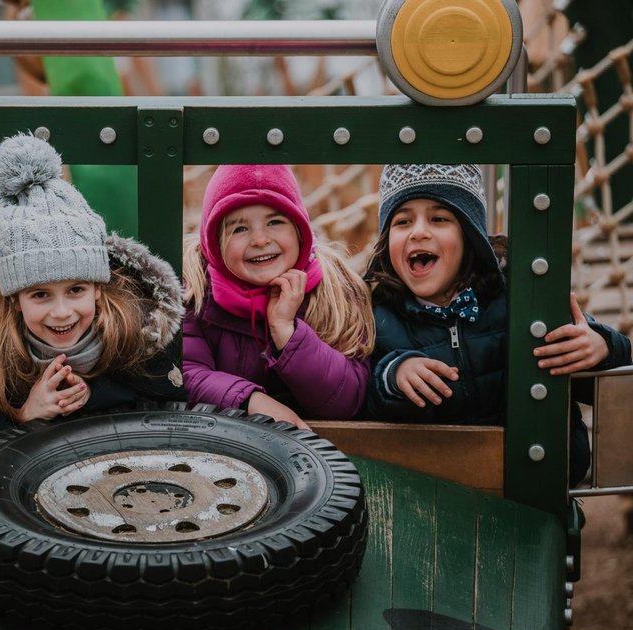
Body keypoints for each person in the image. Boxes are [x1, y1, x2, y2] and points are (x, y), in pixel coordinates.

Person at [364, 163, 631, 486]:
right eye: (402, 221)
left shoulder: (517, 294)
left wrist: (601, 346)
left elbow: (604, 377)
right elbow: (365, 402)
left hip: (532, 484)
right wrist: (393, 375)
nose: (418, 231)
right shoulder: (380, 316)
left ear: (470, 235)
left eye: (439, 219)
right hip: (434, 490)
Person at [0, 134, 185, 432]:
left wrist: (94, 396)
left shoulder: (137, 337)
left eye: (76, 290)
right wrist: (25, 414)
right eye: (40, 295)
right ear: (13, 300)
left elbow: (171, 404)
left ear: (98, 290)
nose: (62, 312)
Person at [182, 164, 375, 430]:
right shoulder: (194, 291)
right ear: (215, 242)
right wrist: (251, 401)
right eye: (239, 229)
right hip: (222, 444)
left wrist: (287, 331)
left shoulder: (335, 291)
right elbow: (186, 374)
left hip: (317, 454)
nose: (260, 239)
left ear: (299, 230)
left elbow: (347, 400)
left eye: (275, 222)